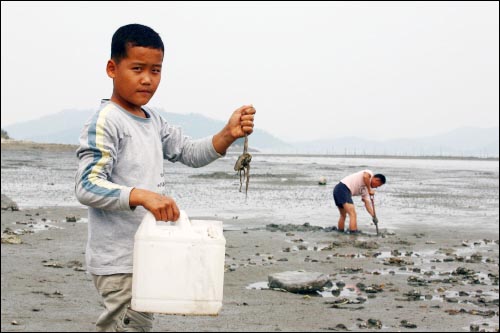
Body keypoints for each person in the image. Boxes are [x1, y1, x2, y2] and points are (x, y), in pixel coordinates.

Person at [75, 23, 256, 332]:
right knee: (131, 327)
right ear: (112, 68)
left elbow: (189, 153)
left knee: (135, 325)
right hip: (118, 261)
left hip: (147, 251)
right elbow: (87, 186)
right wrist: (142, 196)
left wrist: (228, 135)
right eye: (137, 68)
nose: (147, 79)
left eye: (156, 70)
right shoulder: (107, 121)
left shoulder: (152, 119)